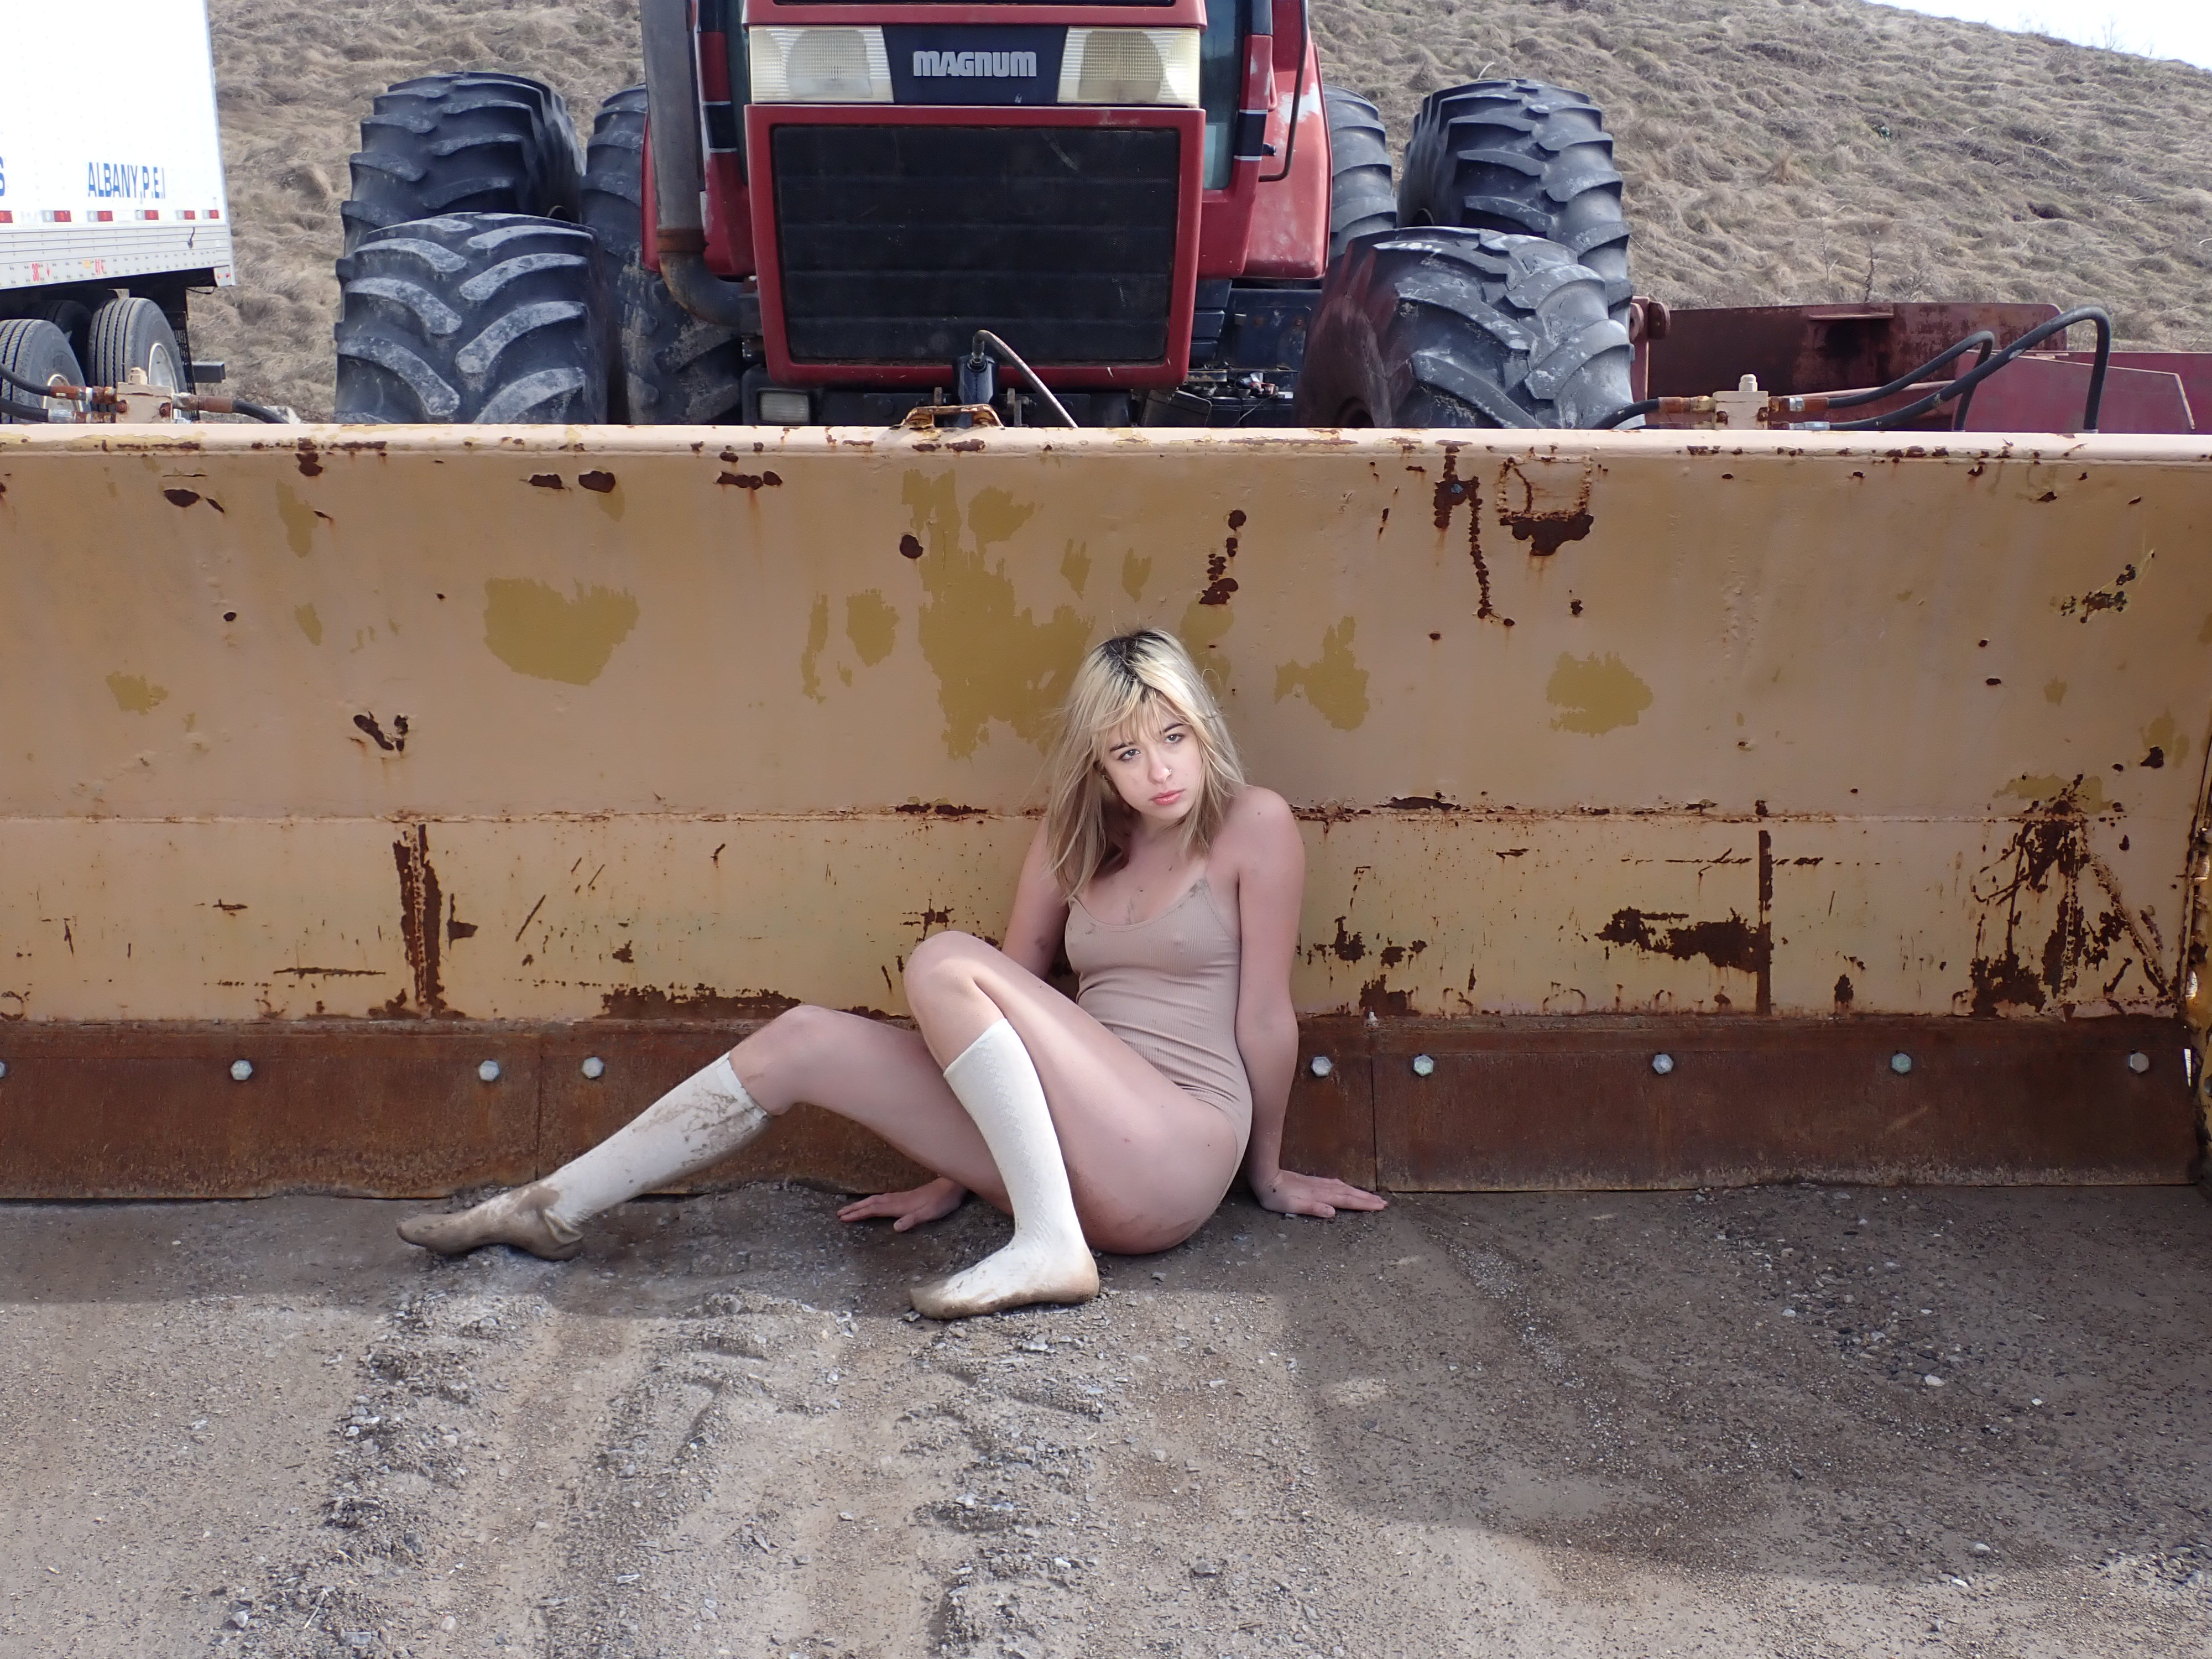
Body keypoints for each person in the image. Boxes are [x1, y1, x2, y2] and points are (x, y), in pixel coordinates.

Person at [398, 628, 1385, 1317]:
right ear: (1099, 766)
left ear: (1203, 730)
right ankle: (550, 1207)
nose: (1159, 771)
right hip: (1072, 1149)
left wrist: (1266, 1176)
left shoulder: (1254, 824)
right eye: (1128, 752)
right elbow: (1010, 1018)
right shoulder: (1070, 842)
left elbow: (1263, 1021)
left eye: (1174, 738)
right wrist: (952, 1169)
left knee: (948, 960)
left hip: (1177, 1151)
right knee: (806, 1040)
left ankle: (1051, 1249)